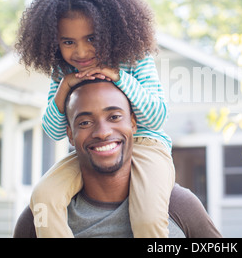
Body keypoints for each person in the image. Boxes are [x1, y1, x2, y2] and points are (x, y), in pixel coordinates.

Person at [15, 0, 174, 238]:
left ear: (110, 32)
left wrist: (119, 77)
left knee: (148, 218)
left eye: (91, 39)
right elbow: (54, 131)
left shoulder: (134, 59)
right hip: (90, 152)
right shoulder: (64, 71)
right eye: (68, 42)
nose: (81, 52)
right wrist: (65, 87)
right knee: (43, 197)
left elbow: (156, 117)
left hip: (146, 145)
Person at [13, 79, 221, 238]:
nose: (102, 132)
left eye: (114, 117)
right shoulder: (40, 217)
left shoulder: (178, 205)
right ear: (70, 134)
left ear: (133, 122)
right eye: (85, 122)